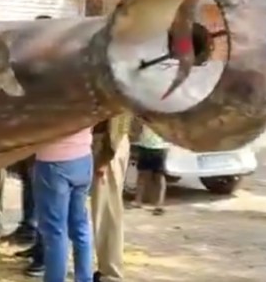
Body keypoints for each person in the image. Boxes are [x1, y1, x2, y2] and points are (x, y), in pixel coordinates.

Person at [3, 14, 53, 246]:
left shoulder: (51, 61)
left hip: (42, 135)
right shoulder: (29, 59)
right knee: (27, 182)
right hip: (25, 131)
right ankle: (27, 228)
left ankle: (35, 236)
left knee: (39, 186)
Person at [33, 126, 95, 282]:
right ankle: (85, 278)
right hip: (83, 157)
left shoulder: (50, 100)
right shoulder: (87, 100)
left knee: (55, 231)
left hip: (53, 161)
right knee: (80, 226)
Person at [90, 113, 132, 282]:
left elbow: (117, 120)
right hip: (107, 144)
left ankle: (111, 274)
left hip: (107, 145)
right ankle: (107, 269)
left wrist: (105, 158)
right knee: (105, 211)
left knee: (107, 212)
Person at [130, 121, 168, 216]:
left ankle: (159, 204)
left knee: (159, 175)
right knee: (143, 174)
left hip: (160, 146)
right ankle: (138, 200)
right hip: (144, 145)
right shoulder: (145, 112)